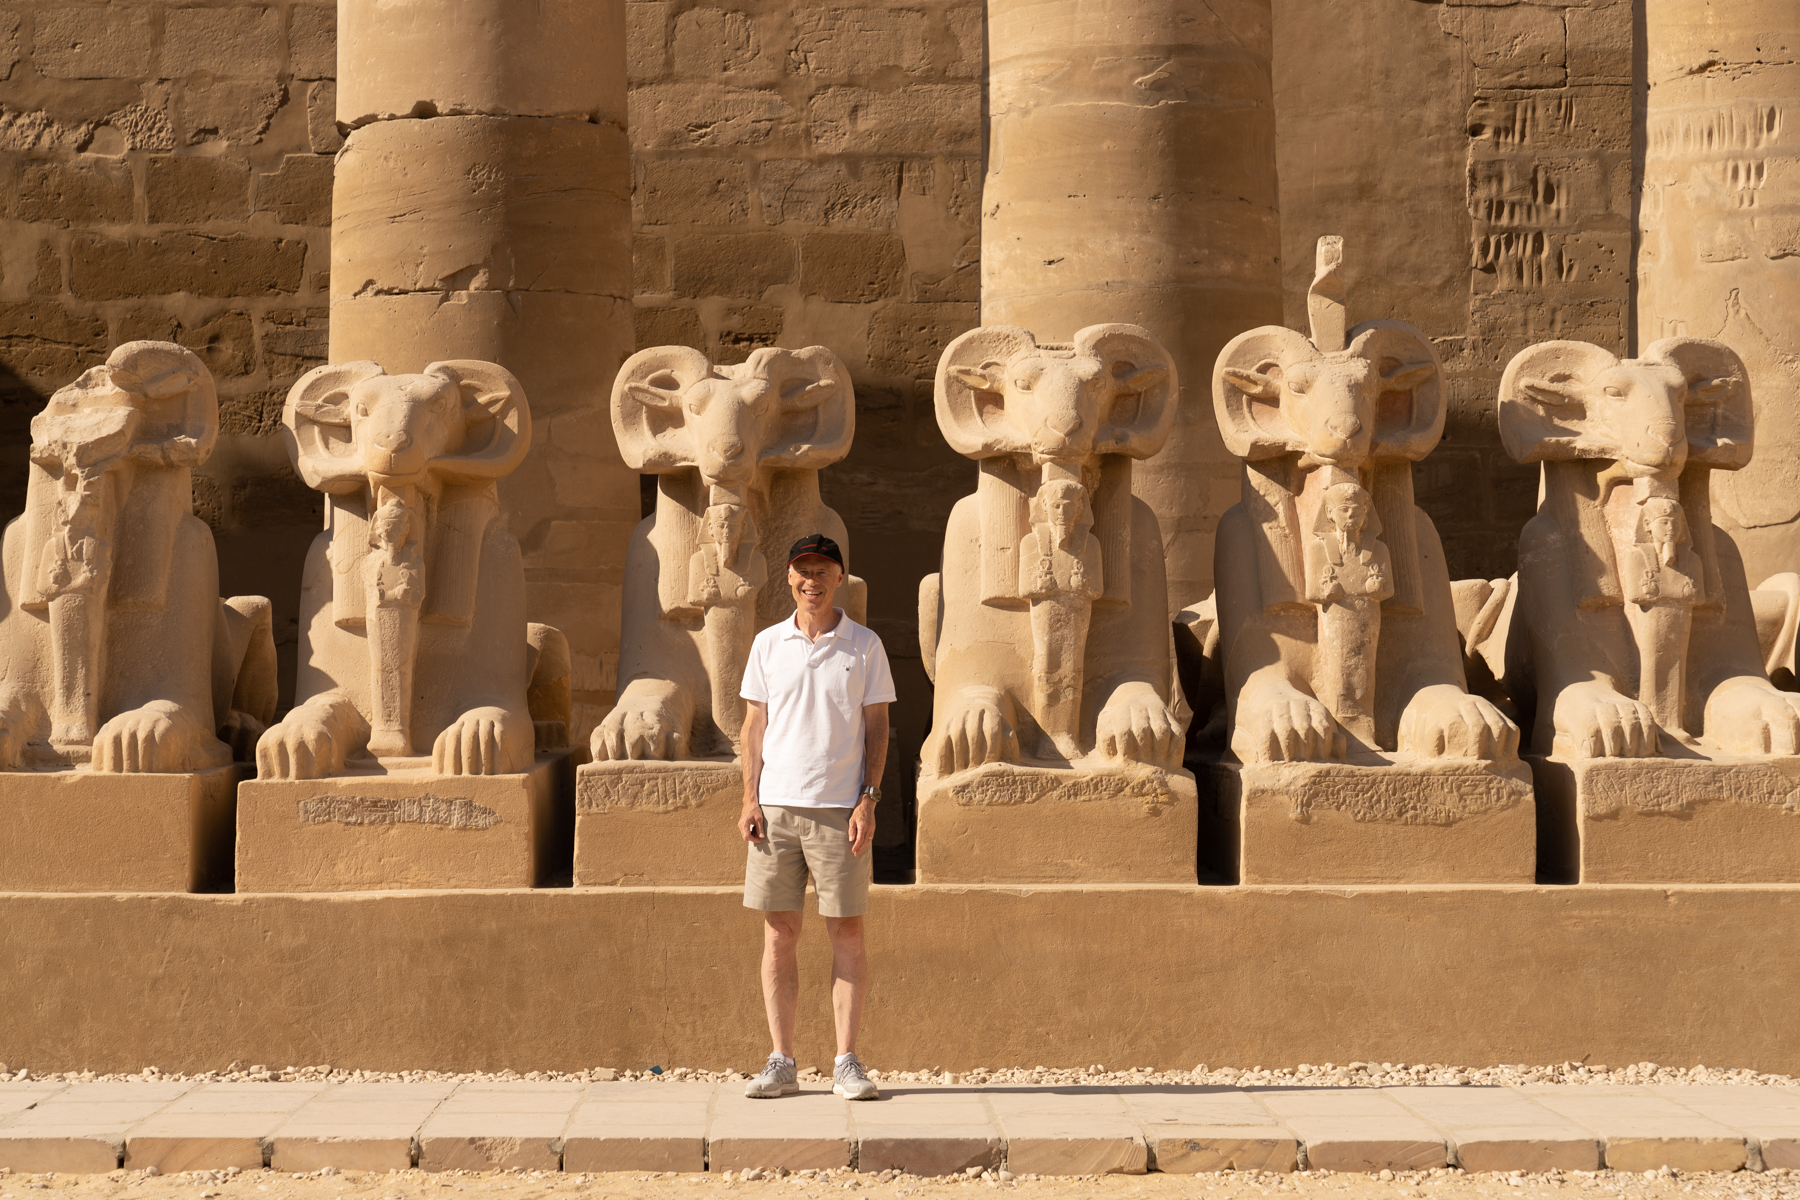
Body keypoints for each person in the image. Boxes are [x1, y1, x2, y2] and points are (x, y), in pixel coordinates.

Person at [737, 533, 895, 1100]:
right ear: (789, 577)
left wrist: (868, 799)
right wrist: (750, 797)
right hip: (776, 809)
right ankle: (781, 1059)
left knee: (846, 933)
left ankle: (846, 1062)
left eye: (823, 569)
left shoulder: (865, 646)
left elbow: (877, 727)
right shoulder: (767, 644)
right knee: (779, 935)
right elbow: (754, 725)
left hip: (839, 812)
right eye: (803, 569)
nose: (812, 579)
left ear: (839, 578)